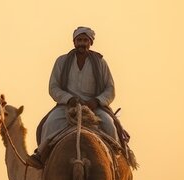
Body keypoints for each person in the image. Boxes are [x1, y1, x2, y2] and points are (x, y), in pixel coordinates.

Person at [27, 26, 122, 168]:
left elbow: (110, 89)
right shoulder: (62, 61)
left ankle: (116, 159)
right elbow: (53, 87)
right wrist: (69, 99)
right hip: (67, 106)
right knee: (49, 124)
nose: (82, 43)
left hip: (94, 107)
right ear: (74, 42)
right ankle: (41, 156)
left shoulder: (101, 63)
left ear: (90, 43)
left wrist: (97, 101)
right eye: (79, 40)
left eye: (85, 40)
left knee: (109, 124)